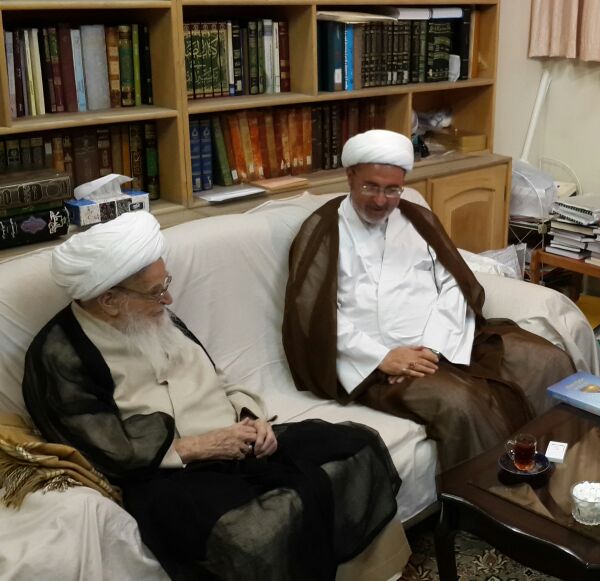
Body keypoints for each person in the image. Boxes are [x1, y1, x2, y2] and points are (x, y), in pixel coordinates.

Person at [22, 212, 410, 581]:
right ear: (109, 300)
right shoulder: (61, 353)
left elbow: (217, 379)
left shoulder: (152, 314)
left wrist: (251, 418)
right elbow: (105, 447)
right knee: (259, 528)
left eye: (166, 283)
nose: (169, 300)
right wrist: (198, 447)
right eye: (157, 291)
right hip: (168, 475)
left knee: (356, 448)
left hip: (236, 443)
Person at [282, 129, 576, 469]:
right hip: (376, 366)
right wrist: (382, 357)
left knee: (548, 360)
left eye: (392, 189)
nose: (381, 201)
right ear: (350, 177)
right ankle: (495, 491)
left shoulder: (416, 219)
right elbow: (313, 316)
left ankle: (560, 468)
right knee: (460, 402)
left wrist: (435, 346)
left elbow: (455, 284)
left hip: (445, 340)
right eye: (370, 187)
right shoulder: (323, 230)